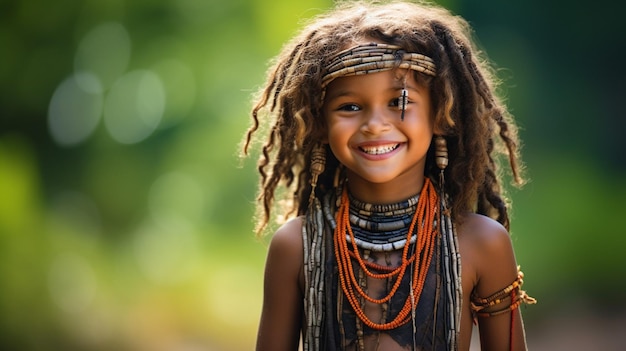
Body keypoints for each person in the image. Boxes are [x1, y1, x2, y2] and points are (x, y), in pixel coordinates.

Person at [243, 1, 536, 350]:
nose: (374, 125)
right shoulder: (296, 246)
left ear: (441, 113)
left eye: (399, 102)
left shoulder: (483, 243)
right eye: (350, 106)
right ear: (320, 124)